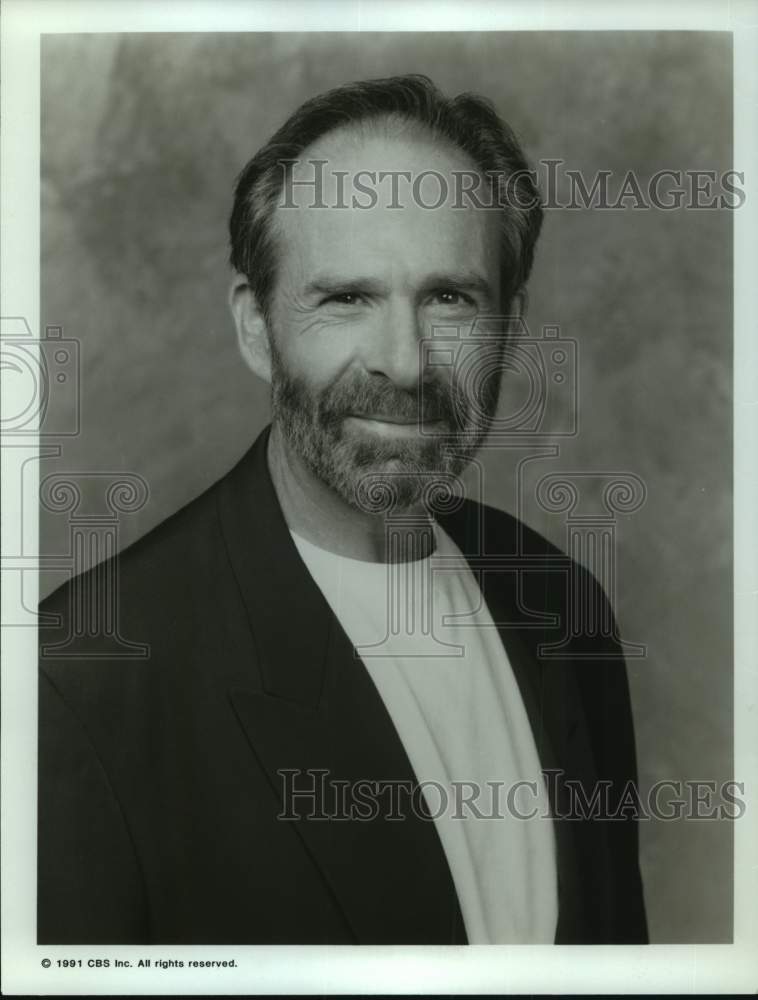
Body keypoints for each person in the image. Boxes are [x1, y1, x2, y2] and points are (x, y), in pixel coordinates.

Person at [38, 74, 648, 945]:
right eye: (347, 298)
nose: (405, 361)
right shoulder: (79, 680)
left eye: (449, 297)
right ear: (256, 327)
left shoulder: (564, 605)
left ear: (510, 323)